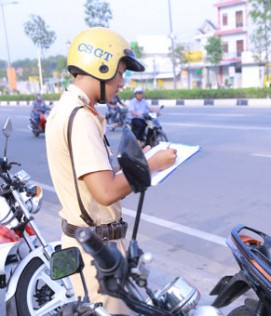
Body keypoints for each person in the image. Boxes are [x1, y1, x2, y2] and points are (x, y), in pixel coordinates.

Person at [45, 27, 177, 314]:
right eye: (120, 72)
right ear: (100, 65)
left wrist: (136, 161)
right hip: (95, 251)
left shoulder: (68, 108)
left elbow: (91, 175)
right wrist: (152, 165)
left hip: (85, 241)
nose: (122, 82)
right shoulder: (80, 118)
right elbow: (104, 192)